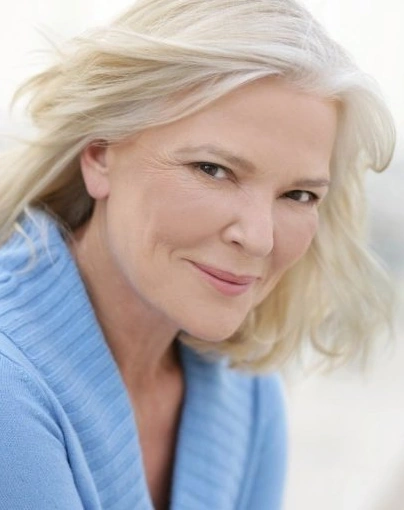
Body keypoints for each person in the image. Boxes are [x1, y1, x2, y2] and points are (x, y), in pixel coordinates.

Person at [0, 0, 395, 509]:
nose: (259, 238)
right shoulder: (11, 384)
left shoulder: (247, 395)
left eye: (299, 195)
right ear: (99, 155)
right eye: (213, 170)